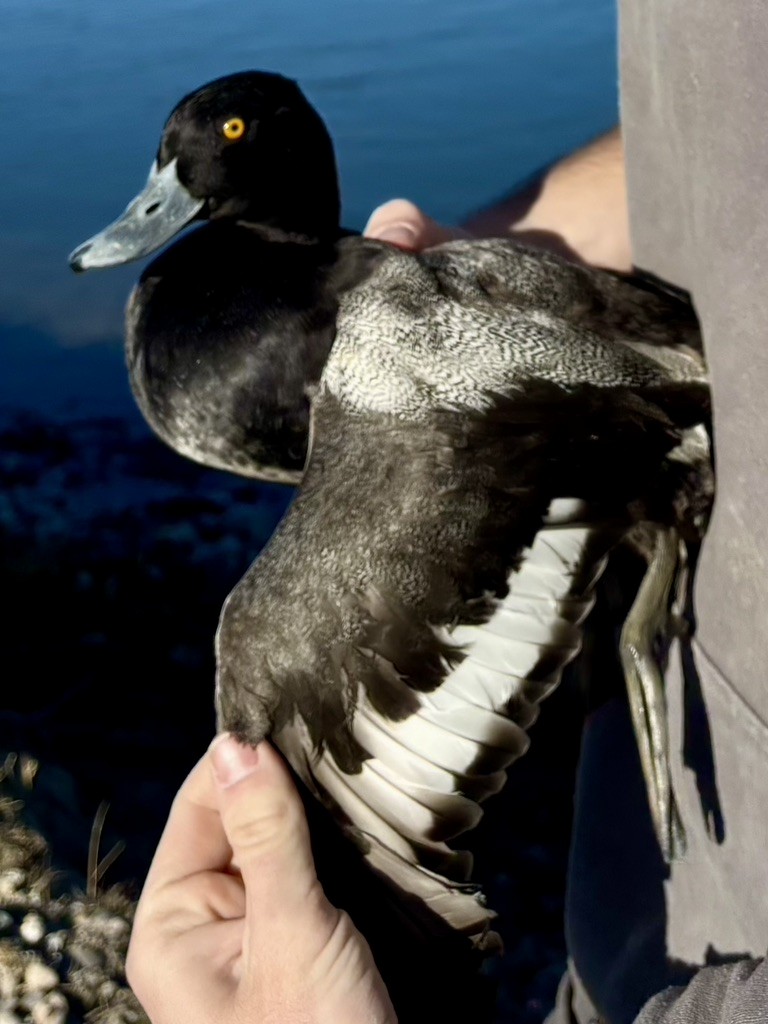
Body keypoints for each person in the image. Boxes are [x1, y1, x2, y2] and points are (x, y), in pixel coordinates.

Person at [126, 2, 768, 1020]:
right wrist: (487, 273)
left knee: (269, 672)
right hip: (638, 930)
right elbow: (714, 112)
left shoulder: (390, 343)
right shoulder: (395, 318)